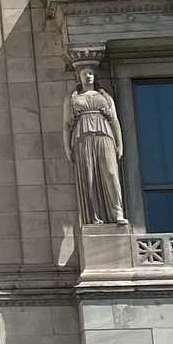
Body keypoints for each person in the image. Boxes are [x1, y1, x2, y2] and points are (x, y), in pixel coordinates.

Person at [64, 62, 127, 227]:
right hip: (82, 137)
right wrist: (67, 147)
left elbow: (114, 121)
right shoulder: (73, 98)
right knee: (89, 177)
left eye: (90, 73)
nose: (87, 76)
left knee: (111, 174)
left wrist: (120, 144)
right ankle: (93, 217)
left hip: (104, 135)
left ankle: (117, 212)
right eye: (84, 73)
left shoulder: (104, 97)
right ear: (79, 77)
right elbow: (66, 125)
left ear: (94, 76)